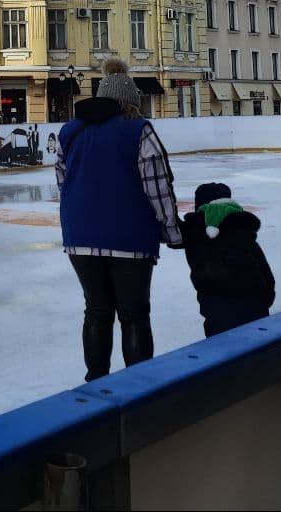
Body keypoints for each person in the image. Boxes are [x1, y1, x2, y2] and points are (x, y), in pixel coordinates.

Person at [56, 58, 181, 382]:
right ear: (132, 102)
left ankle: (96, 382)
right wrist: (172, 230)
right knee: (134, 315)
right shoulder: (139, 130)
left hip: (80, 238)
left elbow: (63, 181)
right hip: (130, 238)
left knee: (96, 312)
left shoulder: (69, 131)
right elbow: (157, 186)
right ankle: (138, 386)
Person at [181, 183, 275, 337]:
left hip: (216, 308)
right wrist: (267, 296)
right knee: (258, 352)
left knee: (222, 351)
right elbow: (264, 269)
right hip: (254, 305)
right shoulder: (244, 229)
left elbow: (171, 235)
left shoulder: (194, 231)